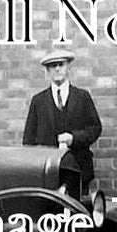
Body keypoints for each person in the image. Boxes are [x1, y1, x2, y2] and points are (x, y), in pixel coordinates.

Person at [23, 50, 103, 193]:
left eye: (61, 64)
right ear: (47, 71)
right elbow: (28, 139)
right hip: (47, 172)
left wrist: (74, 138)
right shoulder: (38, 101)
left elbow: (95, 128)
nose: (57, 69)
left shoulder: (82, 97)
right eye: (53, 66)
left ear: (69, 67)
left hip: (79, 170)